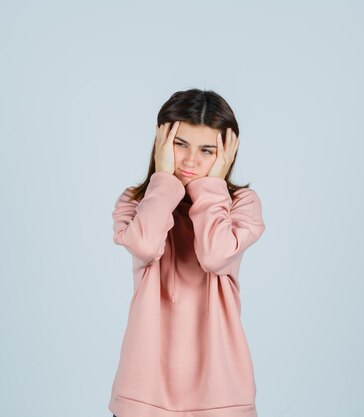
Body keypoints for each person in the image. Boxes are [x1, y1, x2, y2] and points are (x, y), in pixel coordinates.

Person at [108, 88, 265, 417]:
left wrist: (210, 190)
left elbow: (214, 255)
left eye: (207, 150)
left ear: (226, 154)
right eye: (180, 144)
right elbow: (147, 245)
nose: (192, 160)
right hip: (145, 387)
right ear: (162, 143)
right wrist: (164, 181)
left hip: (220, 389)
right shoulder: (136, 203)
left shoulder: (241, 206)